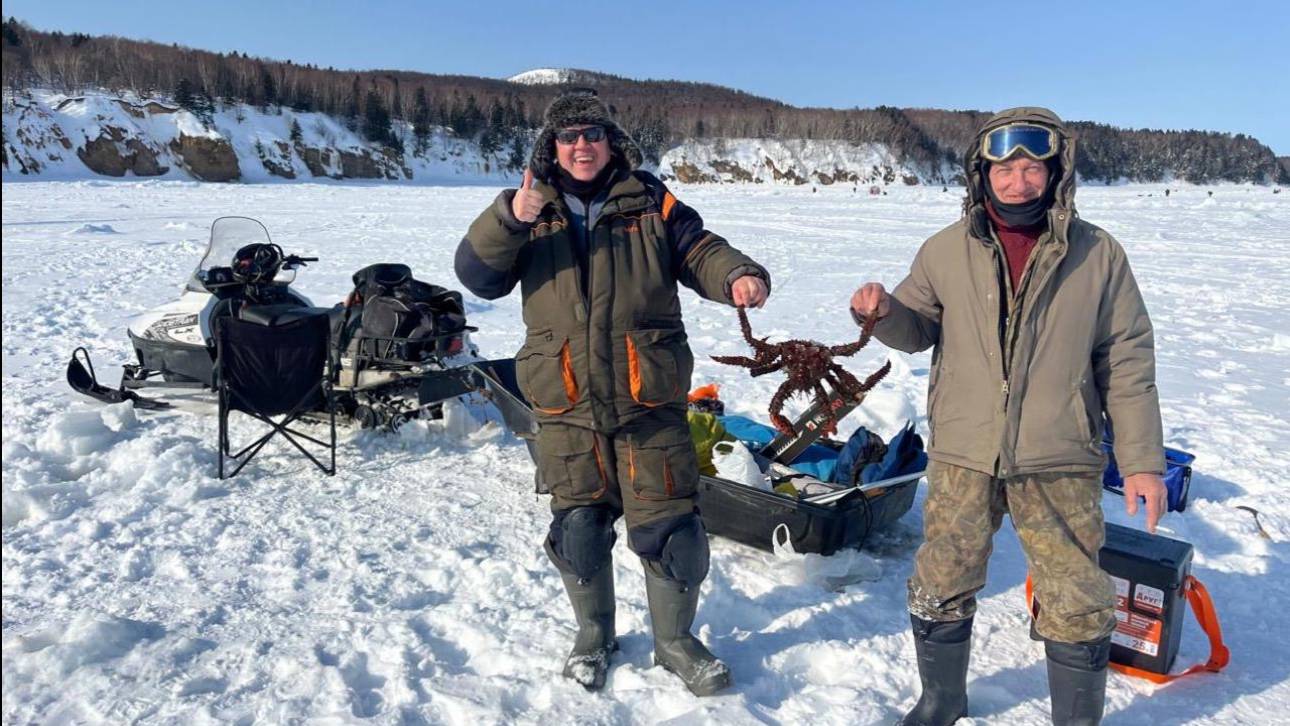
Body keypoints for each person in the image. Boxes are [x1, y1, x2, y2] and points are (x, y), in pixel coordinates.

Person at [850, 108, 1166, 725]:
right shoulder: (945, 249)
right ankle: (941, 698)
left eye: (1032, 168)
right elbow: (915, 330)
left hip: (1059, 451)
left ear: (1056, 171)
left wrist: (1142, 461)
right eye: (1005, 170)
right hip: (964, 449)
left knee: (1076, 593)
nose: (1019, 183)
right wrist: (883, 313)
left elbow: (1127, 361)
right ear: (982, 173)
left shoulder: (1098, 254)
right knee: (942, 578)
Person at [455, 89, 770, 695]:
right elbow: (477, 277)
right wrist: (509, 218)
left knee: (673, 531)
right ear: (552, 146)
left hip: (646, 396)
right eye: (568, 136)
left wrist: (736, 273)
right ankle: (593, 636)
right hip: (566, 401)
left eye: (592, 134)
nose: (581, 146)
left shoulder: (649, 199)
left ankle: (674, 643)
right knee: (578, 529)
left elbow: (700, 248)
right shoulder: (529, 206)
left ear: (611, 141)